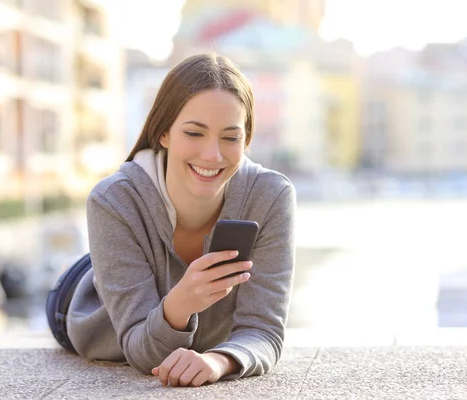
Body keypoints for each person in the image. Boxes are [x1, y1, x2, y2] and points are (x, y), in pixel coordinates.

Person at [46, 53, 296, 388]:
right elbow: (140, 350)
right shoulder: (114, 199)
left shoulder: (270, 196)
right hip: (92, 310)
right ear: (163, 132)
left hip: (198, 340)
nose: (212, 155)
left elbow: (264, 329)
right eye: (194, 133)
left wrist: (219, 360)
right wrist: (180, 304)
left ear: (246, 140)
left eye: (230, 137)